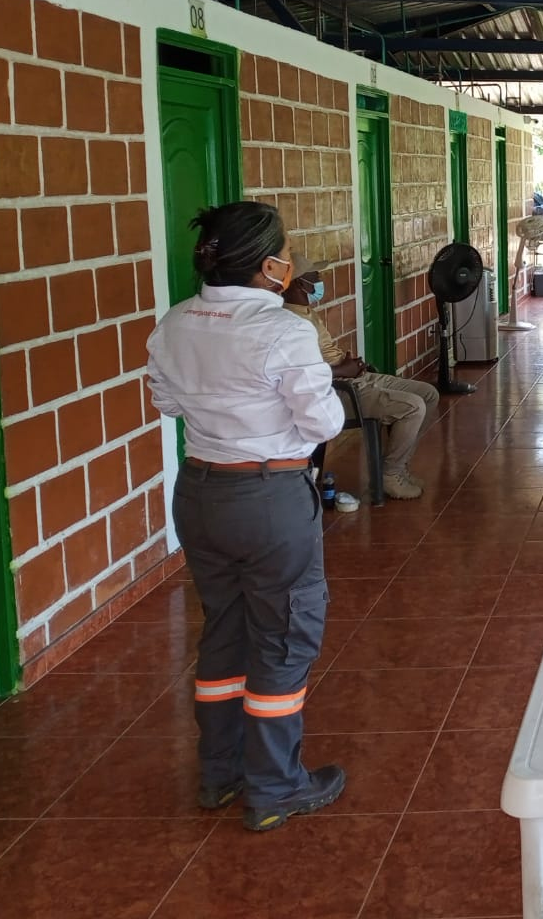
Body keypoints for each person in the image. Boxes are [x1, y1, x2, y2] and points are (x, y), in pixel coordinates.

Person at [144, 202, 347, 832]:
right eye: (284, 252)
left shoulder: (173, 323)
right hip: (268, 498)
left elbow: (167, 403)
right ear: (267, 265)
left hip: (200, 494)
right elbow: (325, 424)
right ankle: (275, 784)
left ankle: (220, 772)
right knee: (284, 635)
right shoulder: (283, 331)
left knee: (224, 628)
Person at [282, 257, 441, 501]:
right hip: (338, 391)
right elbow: (303, 373)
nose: (320, 281)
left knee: (429, 394)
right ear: (297, 284)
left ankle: (399, 465)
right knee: (413, 406)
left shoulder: (307, 312)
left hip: (355, 378)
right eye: (314, 277)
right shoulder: (289, 323)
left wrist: (350, 365)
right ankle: (390, 474)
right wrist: (343, 370)